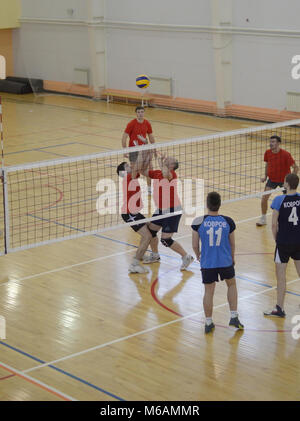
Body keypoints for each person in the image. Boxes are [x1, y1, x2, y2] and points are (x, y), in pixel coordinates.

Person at [191, 192, 244, 334]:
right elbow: (232, 243)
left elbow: (195, 245)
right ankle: (234, 317)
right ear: (219, 204)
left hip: (208, 263)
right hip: (225, 261)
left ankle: (208, 322)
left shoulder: (198, 222)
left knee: (209, 291)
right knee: (231, 285)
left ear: (207, 204)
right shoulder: (228, 221)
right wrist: (232, 258)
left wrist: (198, 256)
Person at [142, 154, 194, 270]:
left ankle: (186, 257)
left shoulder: (172, 174)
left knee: (165, 240)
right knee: (150, 232)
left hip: (173, 210)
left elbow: (165, 174)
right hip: (161, 209)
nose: (168, 157)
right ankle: (155, 255)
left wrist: (160, 161)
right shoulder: (158, 173)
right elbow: (144, 172)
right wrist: (144, 160)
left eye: (170, 159)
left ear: (171, 166)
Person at [264, 173, 300, 317]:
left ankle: (279, 308)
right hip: (298, 241)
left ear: (286, 184)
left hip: (283, 243)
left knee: (281, 276)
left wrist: (276, 240)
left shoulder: (279, 200)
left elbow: (273, 225)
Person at [117, 158, 159, 273]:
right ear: (124, 172)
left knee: (151, 232)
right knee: (147, 236)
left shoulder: (133, 177)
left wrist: (147, 153)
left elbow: (142, 166)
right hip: (129, 213)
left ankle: (153, 255)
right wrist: (143, 149)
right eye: (127, 166)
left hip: (134, 212)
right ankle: (134, 265)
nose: (130, 166)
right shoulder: (127, 178)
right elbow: (139, 164)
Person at [256, 135, 298, 226]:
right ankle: (263, 218)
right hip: (272, 180)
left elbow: (296, 168)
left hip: (285, 182)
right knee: (264, 198)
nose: (271, 144)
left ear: (278, 143)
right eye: (270, 142)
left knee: (288, 200)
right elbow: (267, 165)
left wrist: (291, 180)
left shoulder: (286, 154)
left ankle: (289, 218)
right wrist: (265, 177)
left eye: (273, 142)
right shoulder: (267, 153)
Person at [121, 106, 155, 193]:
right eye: (139, 112)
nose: (140, 114)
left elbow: (151, 137)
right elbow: (124, 137)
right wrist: (125, 150)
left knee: (150, 168)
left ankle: (149, 188)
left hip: (144, 150)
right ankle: (131, 185)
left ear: (144, 113)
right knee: (134, 170)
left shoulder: (147, 123)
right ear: (136, 113)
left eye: (142, 112)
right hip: (133, 151)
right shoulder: (131, 123)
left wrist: (154, 148)